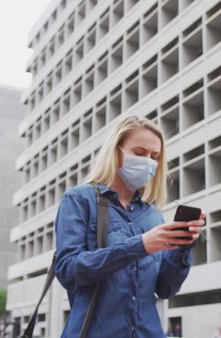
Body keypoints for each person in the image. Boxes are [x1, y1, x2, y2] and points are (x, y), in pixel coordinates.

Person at [54, 115, 204, 337]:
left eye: (155, 157)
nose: (149, 163)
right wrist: (139, 245)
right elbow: (68, 270)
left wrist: (184, 246)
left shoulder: (153, 216)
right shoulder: (79, 200)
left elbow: (165, 288)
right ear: (116, 151)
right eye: (140, 153)